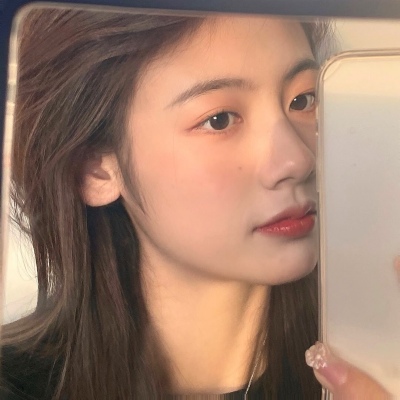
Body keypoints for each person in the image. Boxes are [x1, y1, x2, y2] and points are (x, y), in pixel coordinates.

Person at [0, 7, 391, 400]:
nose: (299, 160)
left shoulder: (382, 359)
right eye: (219, 120)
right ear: (95, 170)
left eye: (303, 100)